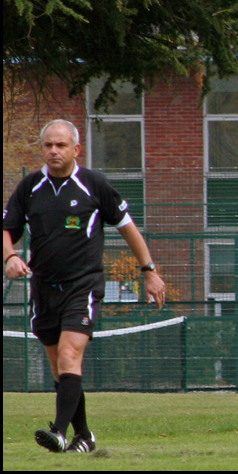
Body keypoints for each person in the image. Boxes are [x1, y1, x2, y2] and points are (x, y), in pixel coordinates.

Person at [3, 119, 166, 454]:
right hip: (44, 288)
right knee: (60, 367)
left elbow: (128, 228)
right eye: (48, 145)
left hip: (83, 285)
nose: (54, 151)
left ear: (76, 149)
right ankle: (84, 437)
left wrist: (149, 271)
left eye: (61, 145)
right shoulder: (30, 187)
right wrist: (10, 256)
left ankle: (59, 433)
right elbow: (7, 230)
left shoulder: (94, 184)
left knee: (69, 354)